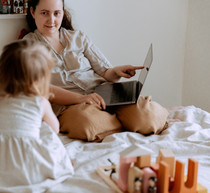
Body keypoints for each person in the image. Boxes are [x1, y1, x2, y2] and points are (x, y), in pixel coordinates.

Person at [0, 39, 74, 192]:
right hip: (28, 167)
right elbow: (55, 129)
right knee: (45, 129)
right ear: (40, 78)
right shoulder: (39, 101)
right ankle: (59, 163)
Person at [23, 0, 148, 141]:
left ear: (63, 13)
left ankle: (122, 119)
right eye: (44, 13)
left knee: (147, 115)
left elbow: (106, 72)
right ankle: (124, 122)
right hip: (72, 106)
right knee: (87, 123)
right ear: (33, 12)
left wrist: (117, 71)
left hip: (104, 94)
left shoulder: (78, 37)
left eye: (57, 13)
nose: (51, 20)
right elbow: (41, 88)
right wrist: (82, 98)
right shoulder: (27, 46)